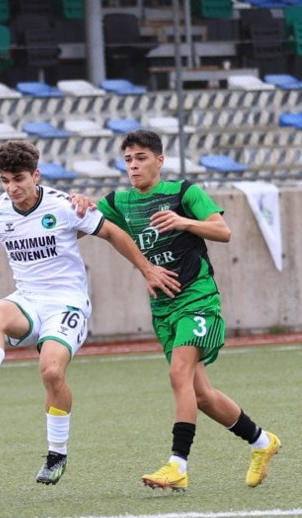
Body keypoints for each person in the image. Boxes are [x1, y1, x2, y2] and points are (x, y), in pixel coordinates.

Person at [0, 140, 180, 486]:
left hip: (67, 303)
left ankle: (56, 454)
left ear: (36, 175)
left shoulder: (64, 206)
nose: (12, 188)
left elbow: (112, 232)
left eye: (18, 178)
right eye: (4, 180)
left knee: (50, 372)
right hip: (28, 299)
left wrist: (146, 270)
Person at [71, 129, 280, 491]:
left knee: (178, 374)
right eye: (128, 160)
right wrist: (77, 204)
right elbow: (77, 228)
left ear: (159, 160)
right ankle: (263, 442)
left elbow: (223, 230)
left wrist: (183, 221)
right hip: (163, 308)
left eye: (141, 158)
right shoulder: (118, 203)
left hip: (198, 298)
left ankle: (177, 465)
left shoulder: (184, 193)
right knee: (201, 395)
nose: (134, 166)